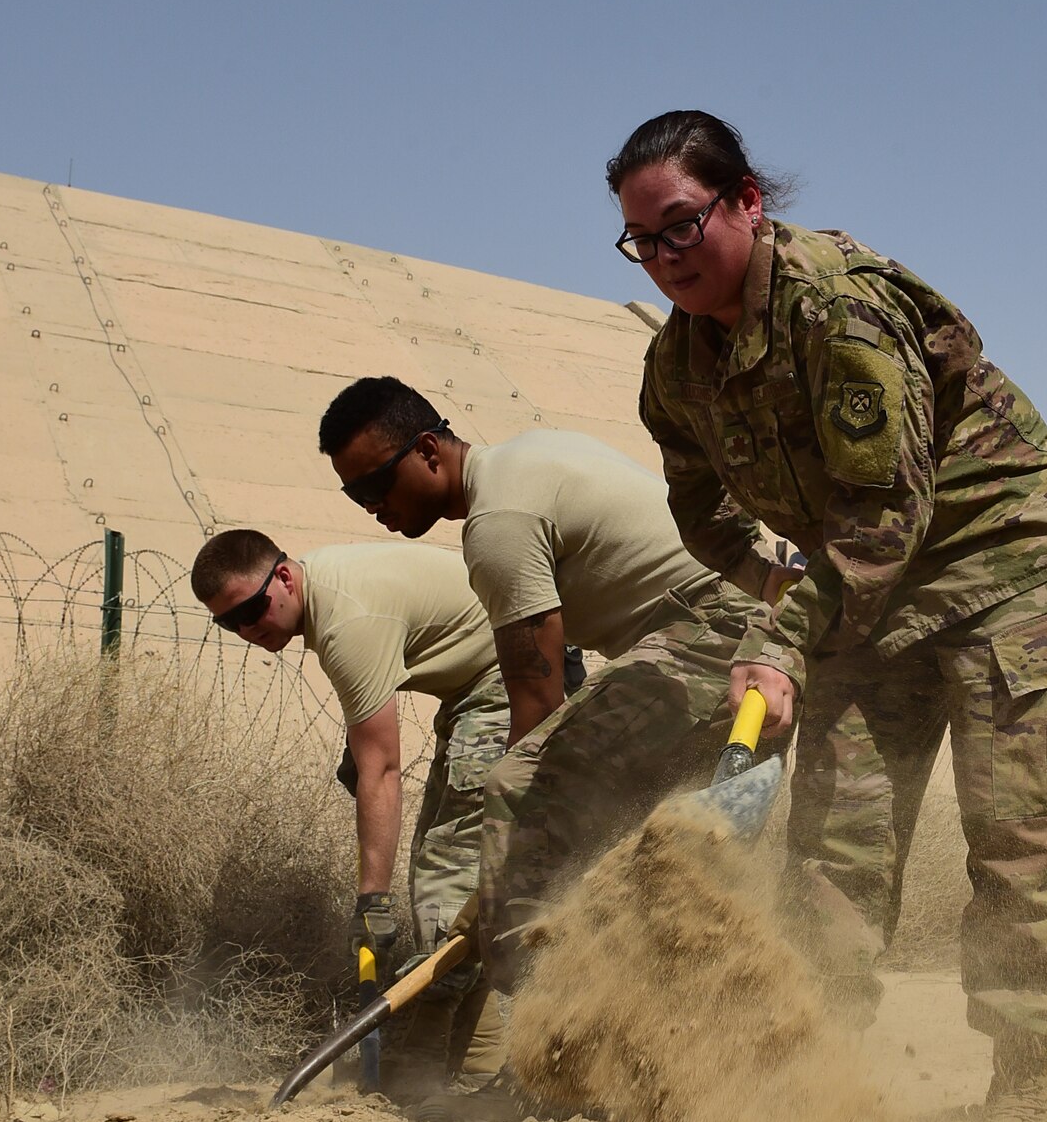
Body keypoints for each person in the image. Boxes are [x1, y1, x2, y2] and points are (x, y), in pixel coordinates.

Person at [609, 110, 1047, 1122]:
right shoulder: (677, 367)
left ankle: (1024, 1095)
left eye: (681, 226)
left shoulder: (839, 306)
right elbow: (701, 511)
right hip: (861, 594)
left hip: (1003, 571)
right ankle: (811, 1089)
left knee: (1013, 838)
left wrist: (783, 635)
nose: (665, 259)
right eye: (641, 241)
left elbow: (885, 513)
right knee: (832, 852)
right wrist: (780, 605)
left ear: (747, 199)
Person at [316, 379, 775, 996]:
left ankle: (531, 1027)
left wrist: (504, 878)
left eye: (376, 485)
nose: (372, 507)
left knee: (520, 784)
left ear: (428, 451)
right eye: (355, 495)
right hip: (730, 634)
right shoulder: (524, 457)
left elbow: (536, 705)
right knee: (615, 824)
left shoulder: (498, 526)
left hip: (719, 635)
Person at [189, 530, 512, 1102]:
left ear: (284, 578)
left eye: (251, 609)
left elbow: (384, 768)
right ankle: (476, 1059)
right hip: (478, 687)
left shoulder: (343, 620)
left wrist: (371, 902)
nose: (245, 629)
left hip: (510, 680)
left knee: (444, 878)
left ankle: (424, 1072)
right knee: (450, 880)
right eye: (227, 622)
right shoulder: (326, 599)